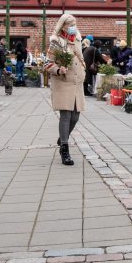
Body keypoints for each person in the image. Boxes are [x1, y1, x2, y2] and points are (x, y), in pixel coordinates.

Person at [44, 14, 86, 166]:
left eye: (74, 24)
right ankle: (65, 148)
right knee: (66, 115)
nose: (73, 27)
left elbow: (81, 58)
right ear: (63, 26)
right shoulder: (56, 42)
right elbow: (47, 64)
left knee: (75, 117)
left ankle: (63, 137)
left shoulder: (78, 39)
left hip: (77, 83)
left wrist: (83, 70)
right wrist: (58, 70)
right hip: (62, 83)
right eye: (70, 24)